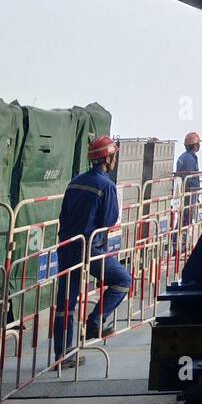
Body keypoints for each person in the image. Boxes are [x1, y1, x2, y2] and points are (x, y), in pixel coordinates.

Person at [53, 136, 132, 363]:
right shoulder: (106, 185)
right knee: (122, 280)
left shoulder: (75, 182)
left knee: (66, 302)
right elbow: (109, 219)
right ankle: (95, 322)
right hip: (89, 249)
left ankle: (62, 354)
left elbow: (64, 214)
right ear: (108, 157)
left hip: (67, 247)